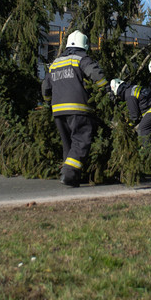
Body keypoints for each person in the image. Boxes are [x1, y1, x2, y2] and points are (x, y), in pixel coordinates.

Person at [41, 30, 107, 187]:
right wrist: (106, 91)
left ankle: (72, 175)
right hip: (78, 108)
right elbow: (97, 75)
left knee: (68, 144)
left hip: (58, 110)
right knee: (81, 140)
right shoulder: (81, 58)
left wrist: (48, 101)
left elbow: (45, 87)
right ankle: (69, 174)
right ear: (83, 45)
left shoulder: (55, 63)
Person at [110, 78, 151, 144]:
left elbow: (134, 115)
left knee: (142, 129)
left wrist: (129, 125)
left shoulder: (128, 95)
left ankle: (149, 150)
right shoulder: (133, 87)